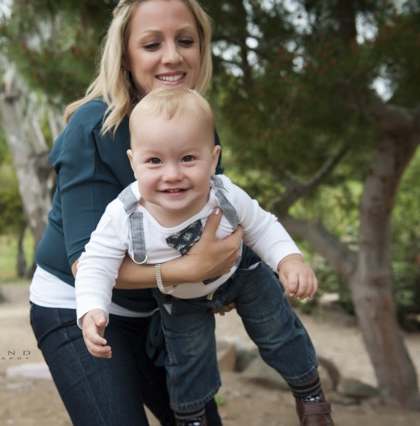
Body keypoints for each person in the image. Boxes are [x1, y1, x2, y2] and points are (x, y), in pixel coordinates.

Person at [30, 1, 241, 425]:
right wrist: (188, 269)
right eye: (151, 44)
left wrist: (220, 279)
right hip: (79, 305)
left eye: (186, 40)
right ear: (125, 54)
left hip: (157, 311)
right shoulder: (94, 127)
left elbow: (209, 222)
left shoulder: (197, 126)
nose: (172, 56)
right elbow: (86, 263)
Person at [76, 86, 335, 426]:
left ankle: (310, 392)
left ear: (212, 159)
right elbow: (96, 262)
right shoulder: (124, 213)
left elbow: (262, 225)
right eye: (154, 160)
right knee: (188, 360)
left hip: (242, 274)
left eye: (188, 158)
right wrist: (92, 308)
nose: (172, 174)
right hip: (181, 295)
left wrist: (290, 260)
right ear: (133, 162)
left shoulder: (224, 194)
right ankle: (192, 418)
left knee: (278, 331)